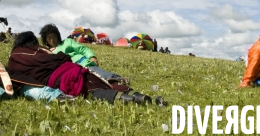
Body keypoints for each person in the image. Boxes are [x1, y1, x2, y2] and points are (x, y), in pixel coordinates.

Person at [9, 31, 159, 105]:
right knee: (98, 81)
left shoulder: (15, 57)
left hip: (59, 77)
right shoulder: (39, 50)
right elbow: (55, 59)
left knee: (89, 90)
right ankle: (138, 96)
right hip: (70, 69)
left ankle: (126, 99)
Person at [40, 24, 128, 85]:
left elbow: (82, 49)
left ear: (58, 35)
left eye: (53, 36)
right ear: (45, 40)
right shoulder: (47, 52)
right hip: (70, 72)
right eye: (49, 38)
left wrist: (92, 56)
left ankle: (118, 79)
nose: (52, 40)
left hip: (82, 64)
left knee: (96, 73)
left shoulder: (67, 42)